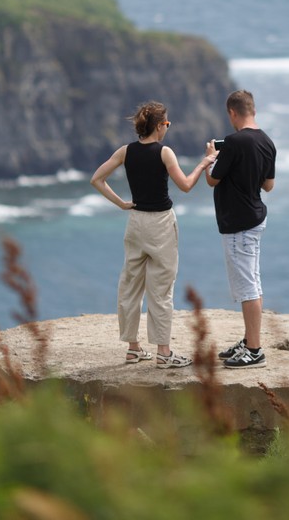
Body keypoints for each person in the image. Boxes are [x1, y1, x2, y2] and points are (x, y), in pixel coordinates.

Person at [90, 101, 216, 368]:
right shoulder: (165, 153)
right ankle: (164, 353)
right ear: (159, 126)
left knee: (130, 285)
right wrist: (204, 162)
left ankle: (133, 348)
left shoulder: (126, 151)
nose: (167, 129)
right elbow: (185, 185)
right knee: (160, 290)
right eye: (167, 124)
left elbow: (96, 179)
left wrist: (122, 203)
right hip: (160, 224)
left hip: (135, 223)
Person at [204, 89, 276, 369]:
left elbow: (212, 180)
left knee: (247, 287)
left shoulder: (233, 143)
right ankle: (249, 340)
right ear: (253, 110)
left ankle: (255, 350)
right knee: (252, 281)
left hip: (239, 222)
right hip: (255, 217)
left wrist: (212, 157)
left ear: (232, 113)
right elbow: (268, 185)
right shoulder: (267, 142)